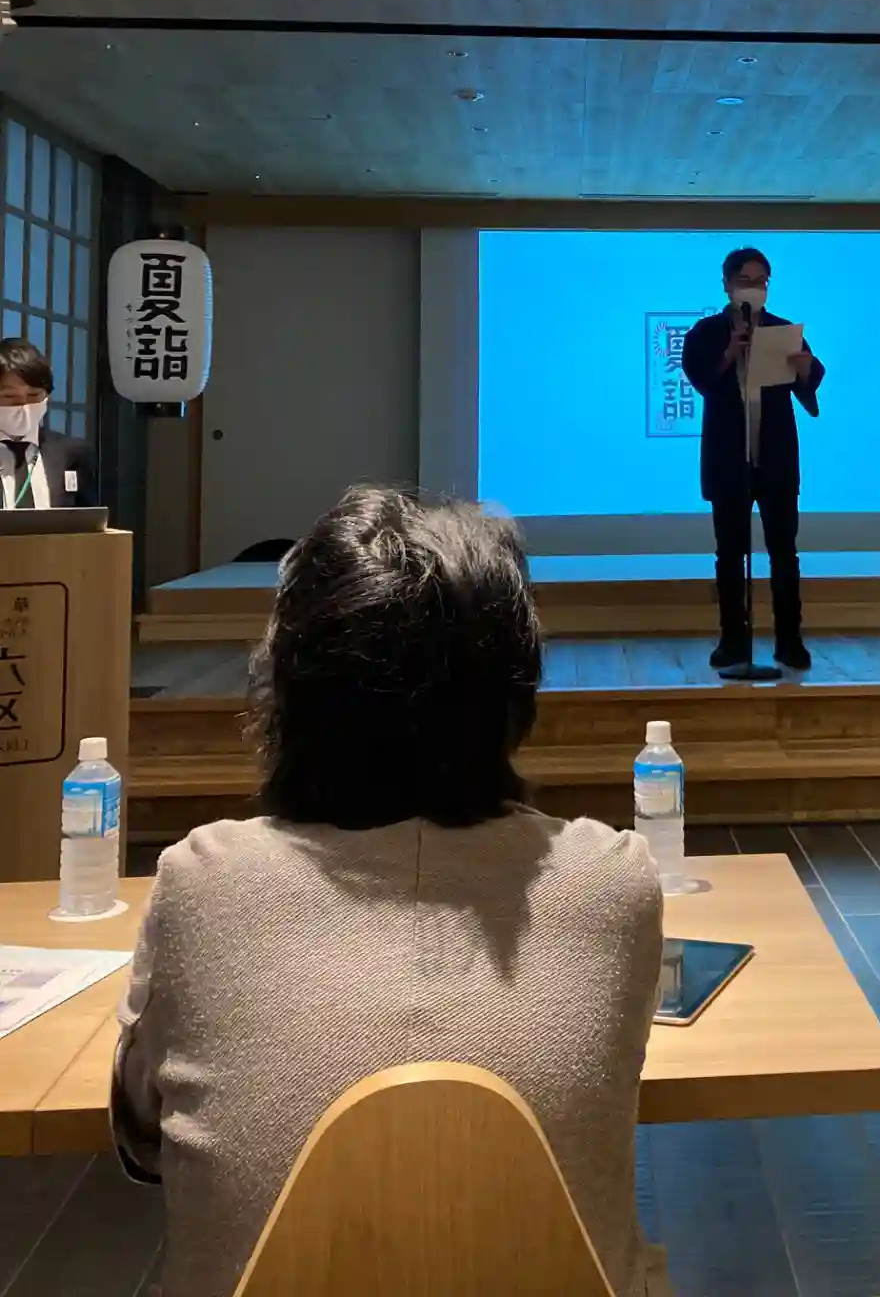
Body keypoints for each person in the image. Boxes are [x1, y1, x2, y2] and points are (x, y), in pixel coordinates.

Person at [111, 487, 669, 1297]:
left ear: (287, 684)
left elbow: (141, 1135)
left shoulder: (204, 879)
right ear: (514, 691)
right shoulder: (612, 879)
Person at [681, 247, 824, 672]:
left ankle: (789, 641)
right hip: (729, 461)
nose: (754, 289)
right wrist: (729, 353)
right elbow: (700, 378)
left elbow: (809, 385)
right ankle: (733, 642)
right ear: (727, 285)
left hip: (776, 459)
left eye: (761, 281)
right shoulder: (706, 332)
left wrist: (805, 369)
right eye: (745, 281)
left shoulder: (782, 330)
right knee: (730, 554)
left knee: (784, 553)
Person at [0, 335, 96, 509]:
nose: (23, 405)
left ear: (47, 395)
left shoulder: (72, 453)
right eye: (10, 396)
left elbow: (87, 519)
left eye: (33, 395)